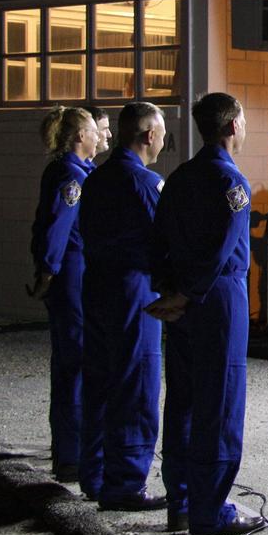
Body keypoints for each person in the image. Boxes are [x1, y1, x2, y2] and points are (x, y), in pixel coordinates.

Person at [147, 93, 262, 535]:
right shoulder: (231, 182)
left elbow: (158, 239)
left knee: (183, 399)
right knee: (219, 401)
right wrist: (190, 293)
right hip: (217, 298)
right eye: (244, 121)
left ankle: (180, 500)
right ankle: (210, 510)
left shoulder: (178, 177)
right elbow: (221, 248)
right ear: (232, 126)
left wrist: (170, 291)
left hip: (182, 297)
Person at [78, 102, 168, 511]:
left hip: (97, 284)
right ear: (149, 135)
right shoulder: (145, 183)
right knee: (136, 384)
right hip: (135, 290)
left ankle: (95, 474)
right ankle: (127, 484)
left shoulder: (96, 178)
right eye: (161, 134)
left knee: (100, 380)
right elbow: (163, 239)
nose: (162, 141)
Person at [30, 105, 99, 483]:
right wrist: (48, 271)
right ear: (79, 137)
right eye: (94, 131)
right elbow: (57, 227)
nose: (99, 137)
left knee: (73, 362)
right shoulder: (72, 177)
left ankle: (72, 449)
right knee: (76, 363)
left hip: (72, 274)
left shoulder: (72, 171)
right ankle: (71, 454)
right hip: (73, 276)